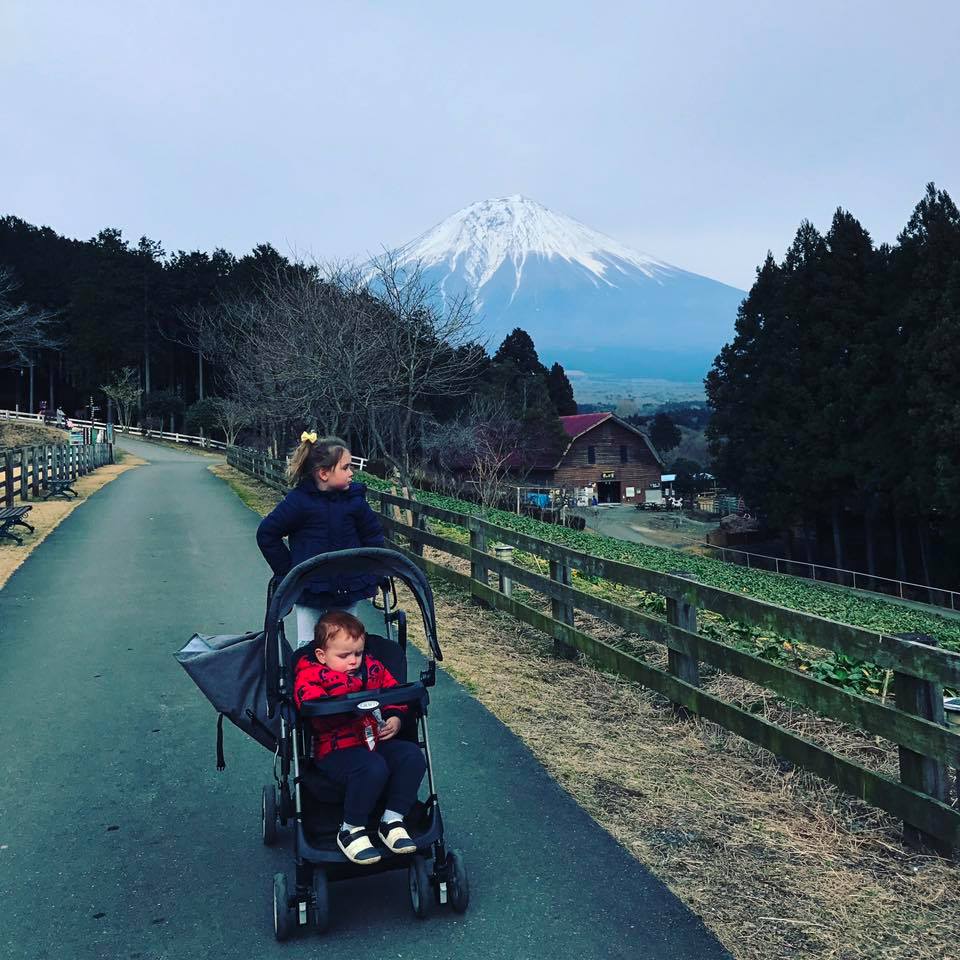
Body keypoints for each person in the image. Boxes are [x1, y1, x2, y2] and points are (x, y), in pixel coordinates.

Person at [294, 611, 425, 865]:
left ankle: (392, 819)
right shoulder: (310, 675)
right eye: (343, 656)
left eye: (358, 653)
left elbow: (394, 691)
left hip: (373, 740)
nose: (353, 661)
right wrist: (350, 694)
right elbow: (311, 707)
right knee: (371, 767)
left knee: (411, 756)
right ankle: (351, 828)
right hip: (335, 748)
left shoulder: (372, 668)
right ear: (322, 656)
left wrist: (395, 717)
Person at [256, 433, 385, 647]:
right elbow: (267, 533)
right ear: (324, 473)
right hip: (310, 587)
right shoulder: (299, 502)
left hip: (348, 585)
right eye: (345, 468)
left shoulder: (355, 501)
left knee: (347, 641)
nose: (351, 473)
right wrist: (289, 571)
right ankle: (307, 678)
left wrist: (377, 569)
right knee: (308, 644)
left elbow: (372, 535)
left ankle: (346, 679)